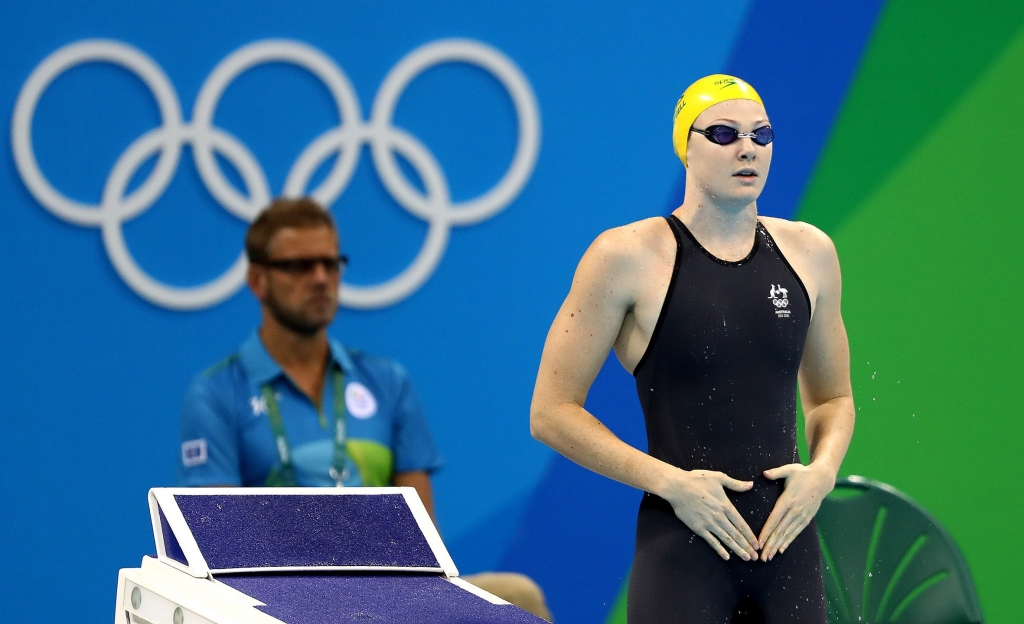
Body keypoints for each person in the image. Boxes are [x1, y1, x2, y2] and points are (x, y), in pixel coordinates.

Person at [529, 75, 855, 623]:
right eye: (724, 133)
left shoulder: (810, 251)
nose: (747, 148)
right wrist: (671, 482)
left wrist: (822, 473)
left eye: (762, 134)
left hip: (789, 548)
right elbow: (551, 412)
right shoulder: (625, 256)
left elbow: (832, 399)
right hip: (682, 547)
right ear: (686, 146)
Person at [178, 197, 552, 621]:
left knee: (518, 595)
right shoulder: (215, 394)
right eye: (300, 266)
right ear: (258, 280)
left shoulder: (386, 381)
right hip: (278, 606)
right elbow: (220, 547)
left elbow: (425, 543)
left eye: (331, 263)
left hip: (392, 598)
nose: (320, 278)